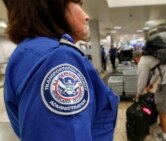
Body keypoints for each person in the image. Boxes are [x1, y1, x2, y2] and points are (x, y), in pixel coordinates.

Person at [3, 1, 119, 141]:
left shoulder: (28, 52)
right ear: (51, 5)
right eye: (77, 3)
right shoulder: (57, 57)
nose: (86, 16)